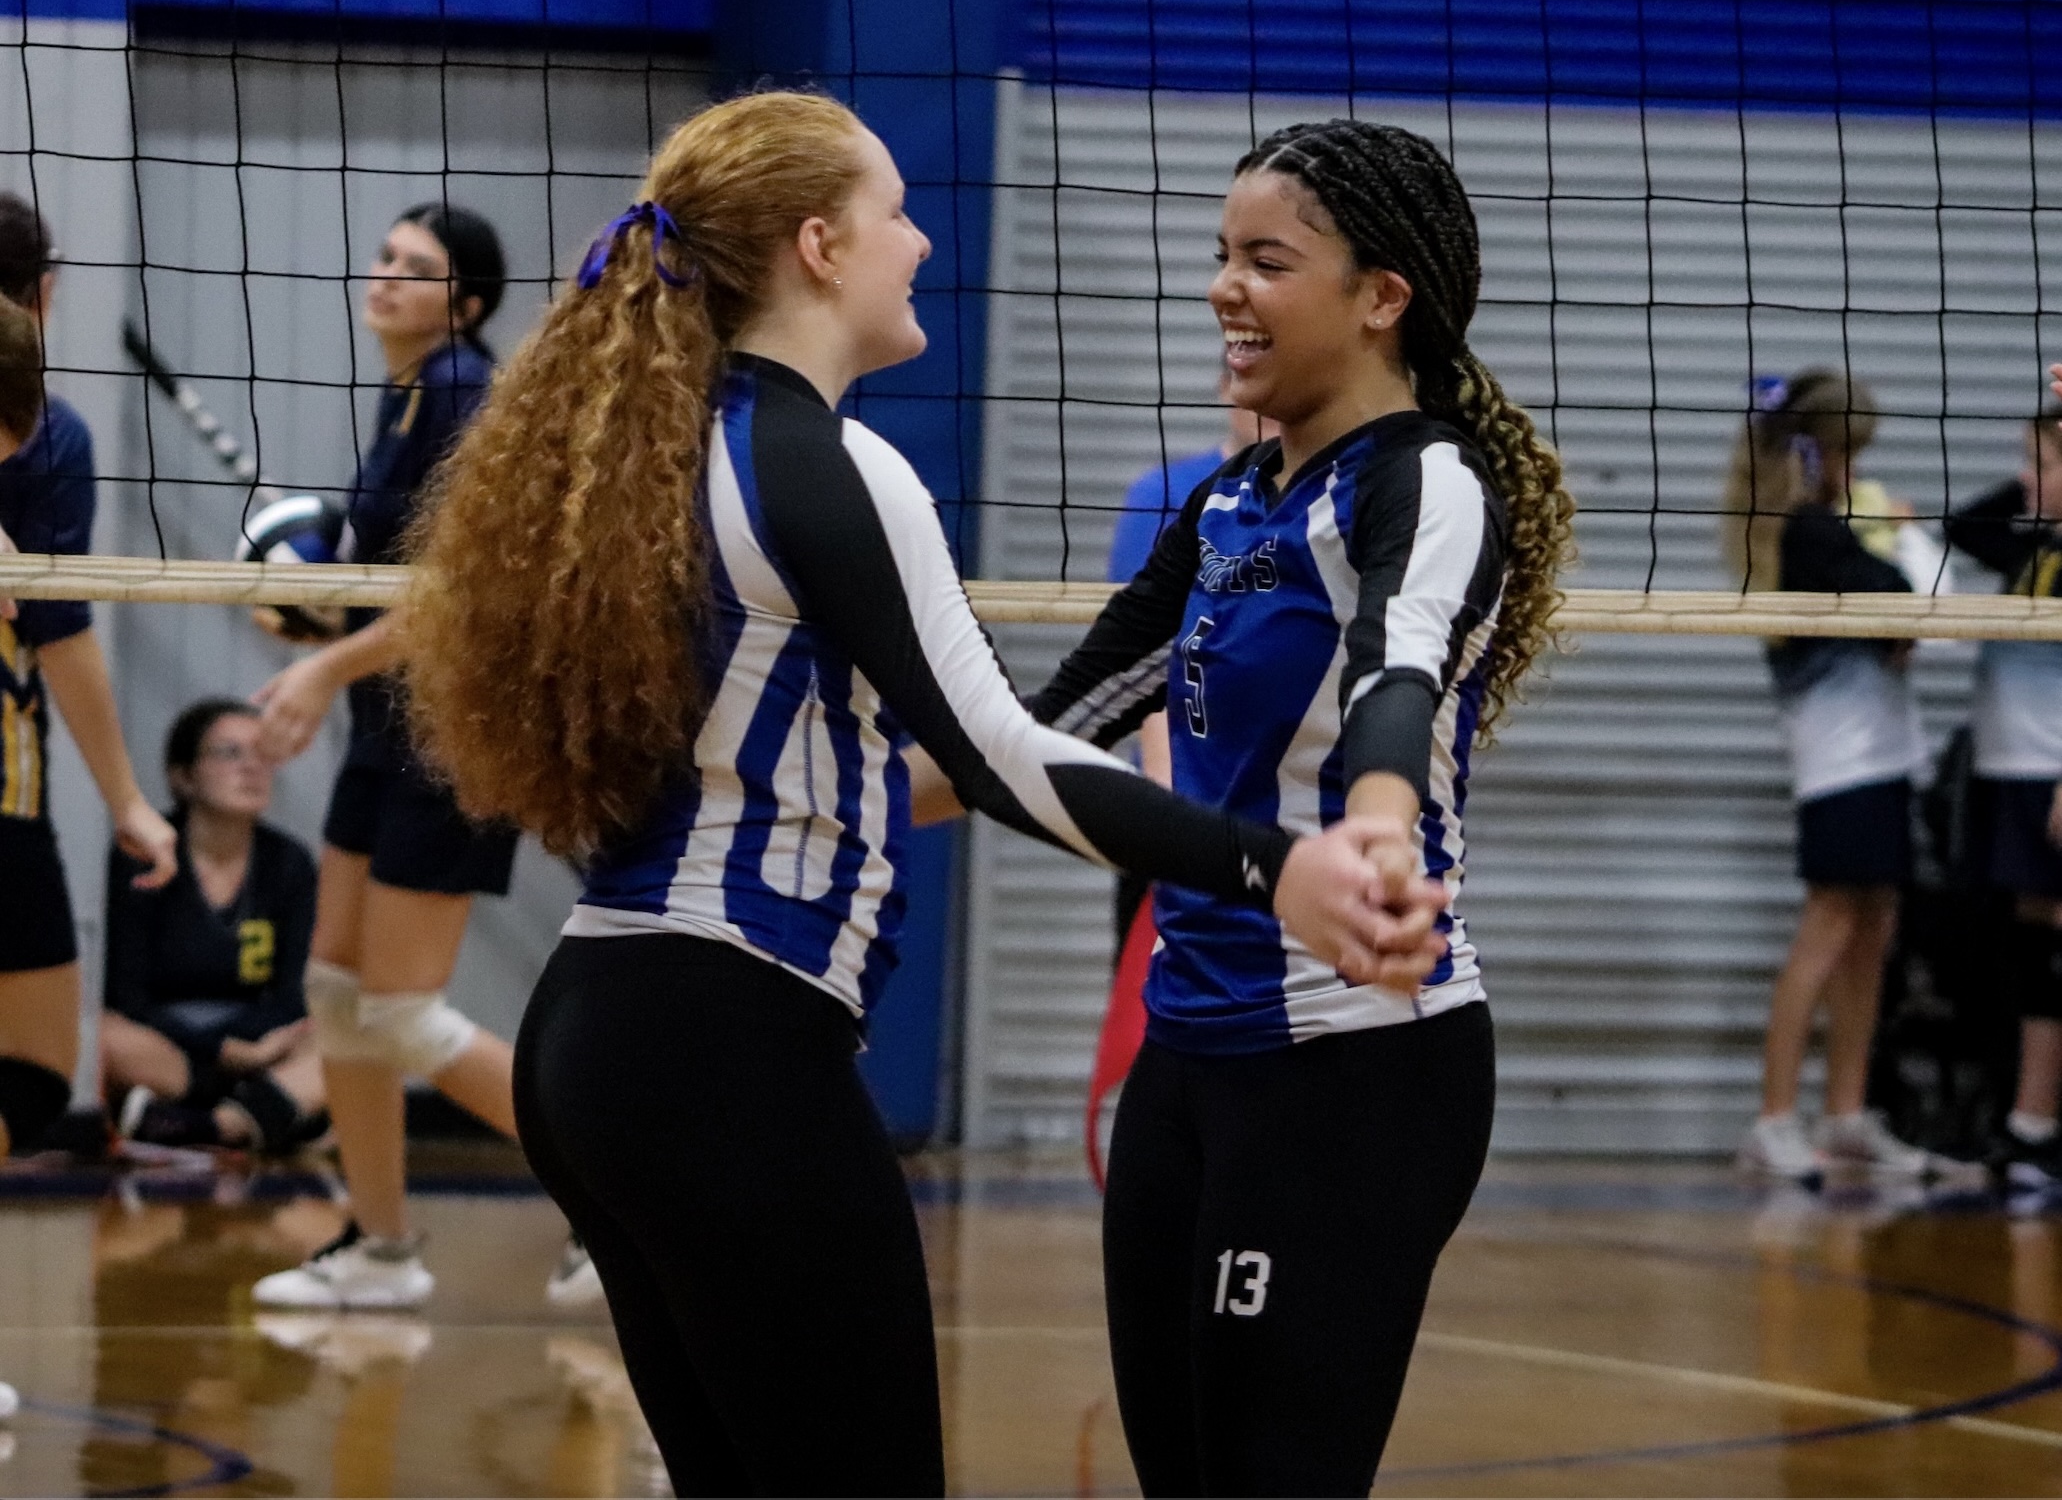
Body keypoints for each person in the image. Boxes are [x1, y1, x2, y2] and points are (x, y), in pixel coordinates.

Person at [398, 90, 1427, 1498]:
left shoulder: (645, 447)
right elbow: (1007, 752)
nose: (922, 240)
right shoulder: (827, 461)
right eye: (893, 211)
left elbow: (900, 763)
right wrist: (1271, 867)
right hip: (726, 1048)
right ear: (819, 245)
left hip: (596, 1032)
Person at [1023, 118, 1572, 1496]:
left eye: (1265, 260)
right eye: (1220, 256)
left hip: (1352, 1067)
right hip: (1185, 1055)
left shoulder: (1422, 480)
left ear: (1380, 297)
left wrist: (1375, 821)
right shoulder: (1227, 502)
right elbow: (1041, 740)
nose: (1223, 288)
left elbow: (1400, 667)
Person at [247, 203, 549, 1310]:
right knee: (334, 992)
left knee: (401, 1013)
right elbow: (397, 590)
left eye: (414, 269)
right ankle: (379, 1251)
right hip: (388, 730)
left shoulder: (468, 390)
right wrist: (319, 630)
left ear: (463, 303)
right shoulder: (408, 392)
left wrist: (322, 670)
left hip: (452, 742)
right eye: (382, 258)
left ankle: (622, 1193)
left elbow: (465, 595)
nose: (383, 278)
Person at [0, 200, 176, 1176]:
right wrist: (128, 802)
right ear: (44, 297)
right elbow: (61, 635)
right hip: (5, 795)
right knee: (31, 1073)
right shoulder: (51, 438)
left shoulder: (50, 438)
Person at [1725, 370, 1933, 1181]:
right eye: (1850, 452)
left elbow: (1901, 619)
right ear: (1818, 454)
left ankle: (1844, 1111)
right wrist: (1898, 541)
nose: (1857, 468)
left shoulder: (1824, 529)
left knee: (1873, 931)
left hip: (1880, 754)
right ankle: (1774, 1118)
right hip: (1841, 762)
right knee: (1829, 927)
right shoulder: (1810, 533)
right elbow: (1902, 597)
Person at [103, 698, 326, 1155]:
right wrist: (219, 1050)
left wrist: (256, 1049)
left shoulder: (290, 862)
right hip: (169, 1049)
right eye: (229, 752)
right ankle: (271, 1119)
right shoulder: (141, 855)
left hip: (262, 1048)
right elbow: (127, 995)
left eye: (263, 753)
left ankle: (210, 1127)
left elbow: (294, 992)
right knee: (102, 1034)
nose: (252, 767)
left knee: (356, 1035)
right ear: (183, 776)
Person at [1944, 363, 2062, 1189]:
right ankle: (2027, 1119)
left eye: (2041, 464)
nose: (2024, 478)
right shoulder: (2033, 544)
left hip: (2051, 771)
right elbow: (1965, 522)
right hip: (2011, 766)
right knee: (2028, 943)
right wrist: (2040, 480)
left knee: (2049, 946)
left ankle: (2036, 1122)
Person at [1106, 369, 1274, 945]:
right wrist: (1173, 816)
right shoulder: (1165, 495)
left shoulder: (1336, 494)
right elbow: (1146, 659)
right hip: (1180, 808)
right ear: (1228, 388)